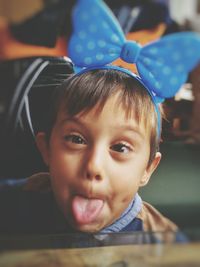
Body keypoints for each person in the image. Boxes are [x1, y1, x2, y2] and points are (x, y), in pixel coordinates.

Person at [0, 0, 199, 246]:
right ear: (46, 149)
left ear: (148, 169)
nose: (93, 166)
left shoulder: (160, 242)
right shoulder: (21, 199)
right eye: (76, 139)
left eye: (120, 147)